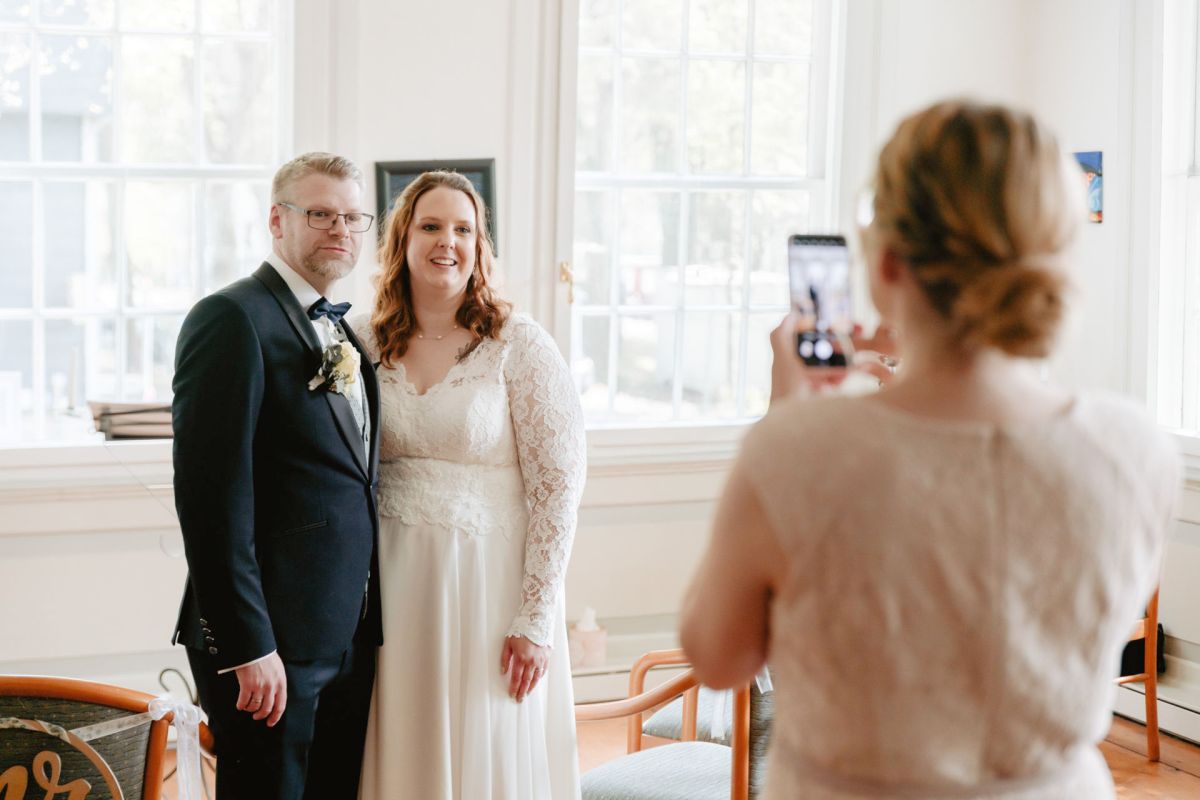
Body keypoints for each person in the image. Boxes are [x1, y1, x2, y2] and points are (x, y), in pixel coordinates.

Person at [679, 100, 1179, 799]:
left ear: (885, 265)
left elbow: (718, 657)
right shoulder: (1136, 450)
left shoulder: (796, 451)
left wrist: (788, 412)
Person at [352, 171, 586, 799]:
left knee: (488, 745)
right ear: (403, 239)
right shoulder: (363, 340)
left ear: (481, 245)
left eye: (464, 229)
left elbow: (557, 487)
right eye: (431, 226)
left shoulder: (519, 344)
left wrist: (536, 619)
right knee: (404, 744)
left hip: (490, 587)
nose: (447, 241)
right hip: (394, 589)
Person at [172, 152, 382, 799]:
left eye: (352, 217)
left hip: (342, 630)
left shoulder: (341, 327)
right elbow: (211, 502)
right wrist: (246, 646)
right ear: (277, 220)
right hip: (268, 641)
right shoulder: (232, 319)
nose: (339, 229)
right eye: (320, 214)